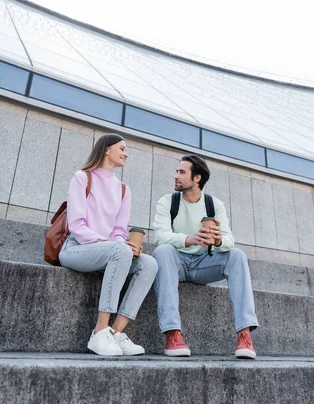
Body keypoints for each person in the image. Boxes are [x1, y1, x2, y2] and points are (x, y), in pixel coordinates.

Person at [59, 133, 157, 356]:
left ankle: (115, 333)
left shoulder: (123, 189)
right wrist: (110, 244)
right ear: (106, 149)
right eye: (121, 148)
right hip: (77, 248)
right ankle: (99, 331)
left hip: (110, 251)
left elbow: (120, 231)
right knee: (120, 249)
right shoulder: (83, 178)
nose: (126, 153)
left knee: (149, 263)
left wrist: (127, 246)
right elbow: (76, 224)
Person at [152, 154, 258, 358]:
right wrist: (189, 239)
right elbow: (160, 236)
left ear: (197, 178)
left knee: (236, 255)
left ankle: (244, 336)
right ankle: (173, 333)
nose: (176, 176)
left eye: (181, 172)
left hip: (204, 264)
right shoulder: (167, 202)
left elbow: (229, 240)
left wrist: (218, 241)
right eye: (177, 171)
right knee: (163, 251)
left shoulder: (214, 204)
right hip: (177, 263)